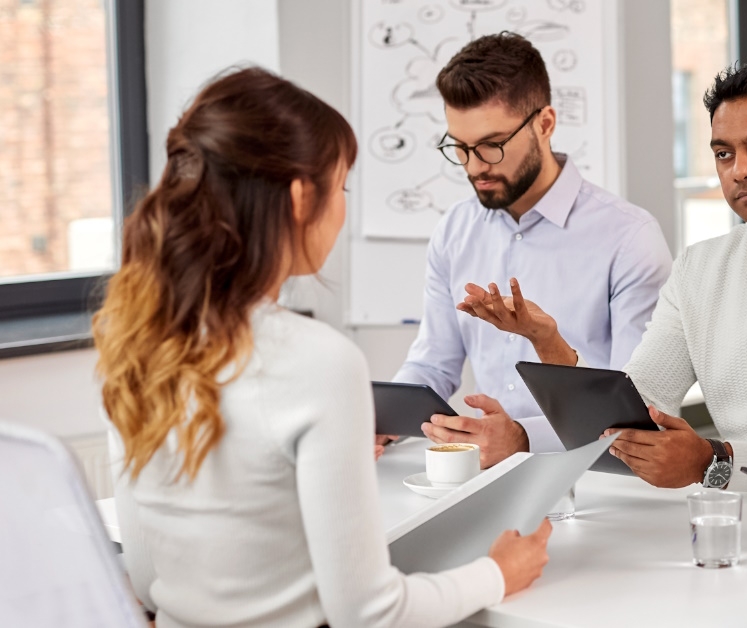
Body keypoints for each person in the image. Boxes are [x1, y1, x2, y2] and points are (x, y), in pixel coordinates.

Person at [95, 67, 551, 628]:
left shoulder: (136, 343)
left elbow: (145, 579)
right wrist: (498, 572)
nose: (341, 209)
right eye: (341, 187)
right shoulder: (317, 361)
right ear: (298, 197)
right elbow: (370, 612)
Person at [460, 60, 747, 492]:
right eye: (724, 154)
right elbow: (635, 412)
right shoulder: (699, 268)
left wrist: (714, 461)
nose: (741, 170)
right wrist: (550, 344)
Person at [382, 32, 672, 466]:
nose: (475, 166)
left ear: (545, 124)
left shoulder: (629, 238)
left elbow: (640, 405)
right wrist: (381, 421)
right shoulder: (455, 231)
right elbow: (433, 365)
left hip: (599, 480)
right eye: (459, 148)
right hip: (484, 476)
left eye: (491, 146)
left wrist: (524, 437)